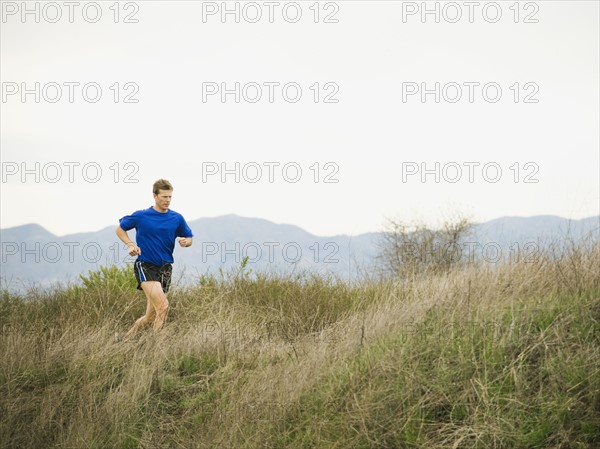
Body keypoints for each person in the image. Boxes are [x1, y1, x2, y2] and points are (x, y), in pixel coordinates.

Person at [115, 179, 193, 340]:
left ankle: (124, 341)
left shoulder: (176, 218)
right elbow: (120, 229)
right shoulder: (142, 216)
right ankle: (156, 347)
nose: (167, 200)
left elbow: (189, 236)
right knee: (163, 307)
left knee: (150, 317)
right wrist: (130, 244)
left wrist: (186, 242)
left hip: (165, 268)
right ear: (155, 196)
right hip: (146, 265)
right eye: (164, 196)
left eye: (170, 197)